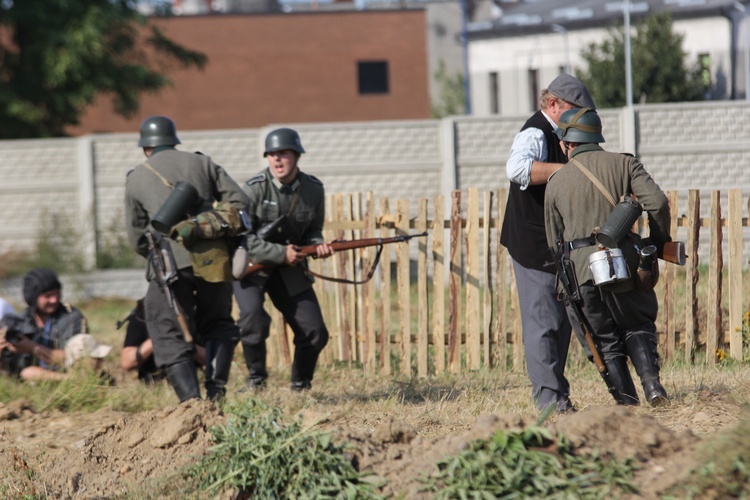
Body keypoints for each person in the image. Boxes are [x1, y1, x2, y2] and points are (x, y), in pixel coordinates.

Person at [544, 107, 671, 406]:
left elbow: (554, 242)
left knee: (605, 341)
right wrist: (655, 241)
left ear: (568, 142)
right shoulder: (625, 164)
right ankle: (653, 388)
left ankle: (627, 404)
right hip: (624, 262)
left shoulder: (556, 183)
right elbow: (659, 203)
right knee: (637, 324)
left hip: (580, 273)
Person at [124, 115, 250, 402]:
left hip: (167, 263)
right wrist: (208, 226)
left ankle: (191, 403)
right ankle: (216, 391)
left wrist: (154, 254)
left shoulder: (137, 177)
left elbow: (135, 237)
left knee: (164, 328)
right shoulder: (202, 163)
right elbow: (241, 203)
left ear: (146, 147)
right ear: (174, 140)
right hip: (214, 258)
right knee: (219, 322)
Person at [499, 73, 597, 412]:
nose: (579, 118)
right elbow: (517, 169)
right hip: (532, 245)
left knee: (558, 323)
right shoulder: (534, 131)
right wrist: (567, 172)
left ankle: (557, 397)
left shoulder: (561, 135)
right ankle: (549, 404)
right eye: (574, 110)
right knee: (542, 324)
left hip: (555, 245)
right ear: (552, 104)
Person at [233, 127, 334, 392]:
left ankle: (300, 385)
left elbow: (313, 229)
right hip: (252, 267)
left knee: (315, 332)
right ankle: (256, 380)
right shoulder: (254, 190)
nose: (277, 160)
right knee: (252, 320)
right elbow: (243, 238)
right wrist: (280, 253)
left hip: (290, 269)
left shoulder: (313, 189)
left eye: (283, 153)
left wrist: (316, 246)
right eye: (272, 154)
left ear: (296, 156)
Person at [0, 268, 112, 382]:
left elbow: (76, 358)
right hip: (27, 380)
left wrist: (32, 348)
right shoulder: (19, 321)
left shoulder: (71, 317)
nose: (54, 300)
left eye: (56, 294)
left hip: (67, 374)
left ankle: (73, 380)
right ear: (33, 298)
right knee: (28, 373)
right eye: (48, 296)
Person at [120, 299, 206, 383]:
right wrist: (158, 338)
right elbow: (127, 363)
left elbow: (212, 359)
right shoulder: (143, 315)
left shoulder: (197, 313)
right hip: (153, 384)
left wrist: (185, 343)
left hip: (192, 381)